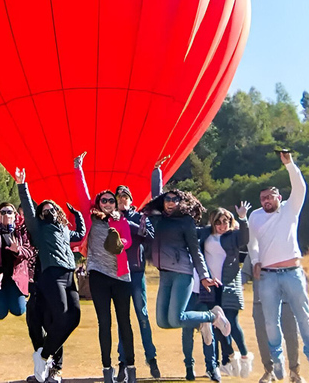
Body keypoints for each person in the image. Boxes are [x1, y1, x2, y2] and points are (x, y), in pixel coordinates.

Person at [247, 151, 309, 380]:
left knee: (304, 317)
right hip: (268, 276)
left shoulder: (290, 209)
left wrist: (289, 164)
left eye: (270, 197)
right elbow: (252, 243)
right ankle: (277, 360)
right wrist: (255, 261)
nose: (266, 201)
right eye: (263, 199)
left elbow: (300, 187)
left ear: (278, 197)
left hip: (292, 273)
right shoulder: (255, 216)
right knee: (270, 320)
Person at [142, 156, 231, 342]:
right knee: (163, 322)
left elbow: (195, 251)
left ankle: (212, 316)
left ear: (181, 203)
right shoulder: (159, 218)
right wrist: (156, 171)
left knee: (177, 317)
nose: (171, 202)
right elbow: (156, 194)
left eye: (175, 199)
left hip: (182, 273)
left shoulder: (186, 222)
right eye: (168, 199)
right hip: (165, 274)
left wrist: (204, 275)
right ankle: (202, 322)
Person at [16, 168, 86, 383]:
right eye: (44, 209)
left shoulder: (64, 229)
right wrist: (22, 185)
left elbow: (81, 234)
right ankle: (47, 360)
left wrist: (78, 215)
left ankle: (44, 357)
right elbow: (28, 209)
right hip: (51, 275)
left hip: (68, 275)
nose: (48, 211)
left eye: (51, 209)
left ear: (57, 212)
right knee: (60, 315)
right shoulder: (38, 227)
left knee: (73, 317)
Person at [74, 153, 137, 383]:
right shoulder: (91, 217)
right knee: (105, 323)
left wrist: (120, 244)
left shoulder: (121, 220)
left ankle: (130, 368)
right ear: (99, 203)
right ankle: (107, 369)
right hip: (99, 274)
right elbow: (83, 194)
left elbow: (128, 240)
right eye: (105, 200)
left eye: (112, 200)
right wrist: (78, 168)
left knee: (125, 322)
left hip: (121, 276)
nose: (109, 203)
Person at [198, 206, 254, 378]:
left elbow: (245, 238)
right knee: (216, 325)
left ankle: (245, 356)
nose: (222, 225)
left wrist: (243, 219)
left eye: (226, 222)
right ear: (212, 222)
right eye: (219, 222)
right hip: (211, 286)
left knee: (231, 321)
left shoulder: (233, 236)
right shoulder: (205, 234)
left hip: (229, 285)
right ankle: (228, 359)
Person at [114, 184, 160, 380]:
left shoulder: (140, 217)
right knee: (122, 319)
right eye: (119, 197)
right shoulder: (111, 218)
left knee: (142, 316)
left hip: (137, 272)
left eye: (126, 197)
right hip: (118, 273)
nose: (122, 200)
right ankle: (123, 362)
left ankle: (151, 358)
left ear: (131, 200)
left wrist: (126, 224)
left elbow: (149, 236)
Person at [242, 262, 301, 383]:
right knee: (263, 337)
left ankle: (294, 372)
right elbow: (245, 273)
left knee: (292, 336)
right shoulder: (255, 250)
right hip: (261, 302)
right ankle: (269, 371)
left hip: (287, 301)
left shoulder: (286, 248)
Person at [0, 201, 33, 320]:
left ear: (15, 215)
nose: (7, 215)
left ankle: (17, 299)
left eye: (10, 212)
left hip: (16, 277)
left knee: (19, 310)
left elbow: (29, 251)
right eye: (3, 212)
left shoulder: (21, 232)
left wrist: (18, 250)